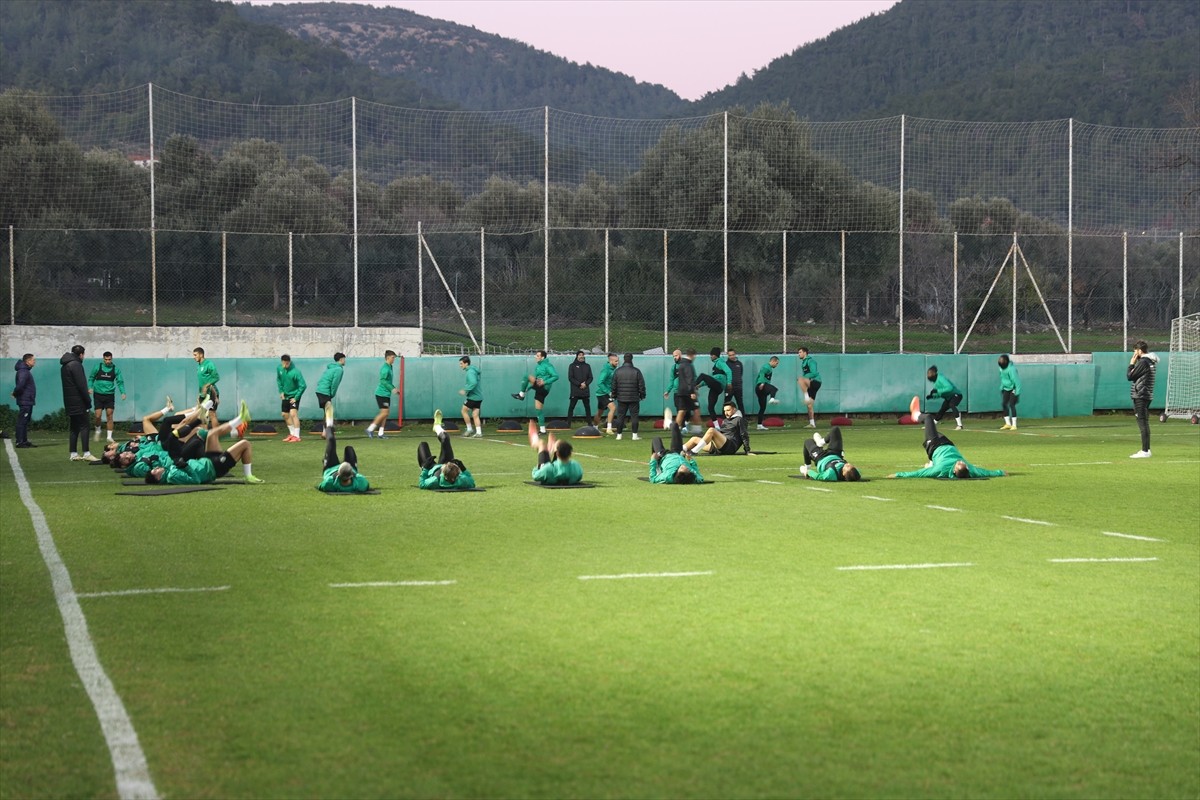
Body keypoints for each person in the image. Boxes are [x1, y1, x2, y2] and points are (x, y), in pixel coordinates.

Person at [146, 399, 262, 485]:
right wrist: (185, 466)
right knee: (245, 444)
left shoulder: (170, 471)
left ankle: (241, 418)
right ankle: (249, 476)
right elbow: (195, 480)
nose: (156, 468)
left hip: (207, 461)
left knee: (212, 433)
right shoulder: (172, 476)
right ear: (158, 478)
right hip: (214, 468)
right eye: (154, 471)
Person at [890, 411, 1006, 479]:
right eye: (963, 464)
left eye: (959, 464)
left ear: (955, 471)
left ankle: (916, 415)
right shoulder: (971, 469)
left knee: (928, 418)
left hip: (934, 446)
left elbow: (919, 473)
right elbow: (986, 472)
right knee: (932, 429)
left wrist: (898, 475)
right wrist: (1000, 472)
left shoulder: (942, 469)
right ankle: (932, 463)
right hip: (948, 443)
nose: (961, 462)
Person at [316, 402, 370, 493]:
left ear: (338, 474)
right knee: (349, 449)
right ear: (351, 475)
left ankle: (329, 424)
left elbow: (321, 486)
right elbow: (365, 483)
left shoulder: (330, 482)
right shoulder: (359, 483)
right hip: (346, 471)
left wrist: (334, 476)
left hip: (330, 468)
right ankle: (329, 425)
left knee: (331, 441)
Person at [417, 412, 476, 489]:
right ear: (457, 475)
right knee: (445, 438)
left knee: (423, 444)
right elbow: (472, 483)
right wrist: (463, 468)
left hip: (430, 468)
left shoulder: (435, 480)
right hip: (443, 469)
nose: (448, 463)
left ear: (443, 473)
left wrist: (425, 469)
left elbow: (422, 484)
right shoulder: (461, 480)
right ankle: (437, 426)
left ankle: (437, 427)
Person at [60, 344, 97, 462]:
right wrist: (88, 401)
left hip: (69, 401)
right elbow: (82, 385)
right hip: (78, 401)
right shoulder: (76, 365)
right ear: (81, 354)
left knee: (74, 428)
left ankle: (73, 453)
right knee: (85, 426)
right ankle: (86, 453)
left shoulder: (64, 366)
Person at [511, 350, 559, 434]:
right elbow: (532, 382)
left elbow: (556, 376)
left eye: (537, 355)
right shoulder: (538, 366)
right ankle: (543, 430)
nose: (535, 357)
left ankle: (521, 395)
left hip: (544, 387)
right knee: (538, 410)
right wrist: (527, 389)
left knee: (526, 376)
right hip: (539, 388)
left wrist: (545, 382)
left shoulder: (548, 365)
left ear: (542, 357)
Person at [682, 400, 752, 456]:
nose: (726, 413)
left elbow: (744, 435)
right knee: (694, 439)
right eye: (725, 411)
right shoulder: (725, 420)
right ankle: (677, 451)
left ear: (734, 410)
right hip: (719, 446)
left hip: (730, 446)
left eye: (728, 410)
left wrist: (747, 451)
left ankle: (694, 451)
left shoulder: (740, 420)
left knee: (712, 430)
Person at [1127, 340, 1159, 459]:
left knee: (1142, 422)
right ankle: (1146, 449)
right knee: (1143, 421)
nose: (1134, 353)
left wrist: (1131, 364)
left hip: (1141, 395)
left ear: (1140, 351)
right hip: (1145, 394)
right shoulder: (1150, 362)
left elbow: (1130, 376)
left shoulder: (1143, 362)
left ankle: (1145, 450)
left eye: (1135, 350)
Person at [648, 416, 704, 484]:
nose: (684, 466)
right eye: (686, 468)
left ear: (677, 473)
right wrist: (691, 460)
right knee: (675, 425)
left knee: (656, 439)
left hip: (663, 456)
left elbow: (652, 479)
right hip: (677, 453)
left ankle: (658, 469)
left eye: (681, 468)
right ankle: (668, 424)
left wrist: (653, 461)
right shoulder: (694, 476)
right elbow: (699, 476)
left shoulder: (667, 476)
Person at [528, 421, 584, 485]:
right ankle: (552, 447)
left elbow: (535, 476)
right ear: (571, 454)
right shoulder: (576, 466)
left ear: (557, 454)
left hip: (551, 471)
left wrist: (537, 467)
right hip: (558, 469)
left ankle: (536, 441)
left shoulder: (547, 468)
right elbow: (579, 477)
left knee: (541, 444)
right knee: (559, 443)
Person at [88, 351, 126, 442]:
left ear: (111, 359)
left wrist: (123, 392)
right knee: (98, 416)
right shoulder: (98, 367)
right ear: (103, 359)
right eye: (106, 359)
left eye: (109, 359)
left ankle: (109, 436)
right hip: (98, 394)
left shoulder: (115, 369)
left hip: (109, 395)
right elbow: (91, 378)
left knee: (109, 415)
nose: (108, 361)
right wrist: (90, 387)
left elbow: (120, 382)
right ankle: (98, 431)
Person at [611, 352, 647, 441]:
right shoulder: (636, 371)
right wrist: (642, 395)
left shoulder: (618, 371)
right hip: (634, 397)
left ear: (624, 359)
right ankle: (634, 435)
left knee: (620, 416)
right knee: (634, 416)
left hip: (621, 398)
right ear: (631, 359)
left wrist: (614, 395)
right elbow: (641, 385)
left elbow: (614, 385)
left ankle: (619, 435)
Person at [366, 350, 398, 439]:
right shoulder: (385, 368)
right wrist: (392, 389)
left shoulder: (390, 367)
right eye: (393, 357)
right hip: (381, 394)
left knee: (385, 414)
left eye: (394, 358)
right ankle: (370, 429)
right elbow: (383, 381)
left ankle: (380, 433)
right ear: (388, 358)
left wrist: (393, 388)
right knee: (385, 413)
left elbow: (388, 381)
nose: (394, 359)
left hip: (386, 394)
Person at [695, 347, 733, 420]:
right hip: (714, 387)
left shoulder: (720, 362)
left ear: (715, 355)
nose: (711, 357)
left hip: (718, 384)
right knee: (710, 407)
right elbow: (711, 379)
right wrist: (700, 385)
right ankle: (717, 426)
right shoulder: (715, 366)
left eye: (711, 355)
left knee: (702, 375)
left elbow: (729, 371)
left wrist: (729, 383)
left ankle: (691, 387)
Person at [277, 354, 307, 442]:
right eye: (284, 363)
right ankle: (292, 434)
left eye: (287, 363)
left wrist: (296, 397)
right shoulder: (279, 369)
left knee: (293, 414)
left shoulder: (296, 372)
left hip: (294, 396)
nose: (285, 365)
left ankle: (297, 436)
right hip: (285, 396)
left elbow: (303, 385)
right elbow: (279, 380)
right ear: (281, 362)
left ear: (289, 362)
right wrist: (281, 391)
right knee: (284, 415)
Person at [925, 365, 964, 429]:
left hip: (956, 395)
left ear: (934, 373)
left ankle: (960, 425)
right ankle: (932, 425)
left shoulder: (941, 378)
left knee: (952, 404)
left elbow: (949, 388)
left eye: (930, 373)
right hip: (948, 397)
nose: (929, 375)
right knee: (942, 410)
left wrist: (937, 390)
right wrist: (933, 396)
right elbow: (941, 393)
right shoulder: (935, 383)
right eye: (928, 373)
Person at [12, 353, 37, 448]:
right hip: (25, 400)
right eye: (33, 360)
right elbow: (20, 385)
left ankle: (24, 441)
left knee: (25, 421)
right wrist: (15, 393)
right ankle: (20, 442)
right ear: (28, 361)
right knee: (22, 421)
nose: (34, 361)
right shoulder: (23, 371)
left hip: (27, 400)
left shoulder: (25, 371)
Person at [314, 353, 346, 424]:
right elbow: (335, 383)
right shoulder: (339, 369)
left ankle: (325, 431)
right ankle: (329, 429)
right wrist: (332, 393)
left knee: (327, 411)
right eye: (344, 359)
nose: (345, 361)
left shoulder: (331, 367)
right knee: (329, 409)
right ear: (341, 359)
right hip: (324, 391)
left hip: (319, 390)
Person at [673, 349, 700, 432]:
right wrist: (692, 392)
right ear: (693, 355)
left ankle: (676, 431)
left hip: (681, 391)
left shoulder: (681, 364)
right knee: (696, 409)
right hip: (688, 392)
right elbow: (689, 379)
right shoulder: (688, 365)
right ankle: (697, 431)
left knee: (681, 411)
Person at [193, 347, 220, 427]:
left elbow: (216, 377)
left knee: (212, 414)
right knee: (201, 416)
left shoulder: (209, 364)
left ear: (201, 355)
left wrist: (206, 386)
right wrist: (199, 394)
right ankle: (202, 436)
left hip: (211, 394)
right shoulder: (199, 366)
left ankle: (215, 435)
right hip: (203, 395)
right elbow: (201, 382)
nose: (194, 357)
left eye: (195, 355)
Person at [592, 352, 619, 433]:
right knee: (613, 408)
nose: (617, 363)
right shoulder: (606, 370)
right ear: (611, 361)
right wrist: (608, 392)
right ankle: (609, 428)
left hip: (607, 393)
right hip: (602, 394)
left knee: (600, 412)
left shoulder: (614, 369)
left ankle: (595, 428)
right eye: (616, 361)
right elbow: (600, 382)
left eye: (618, 361)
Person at [565, 350, 593, 427]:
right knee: (571, 407)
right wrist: (579, 384)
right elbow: (570, 378)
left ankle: (590, 423)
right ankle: (568, 424)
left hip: (585, 390)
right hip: (575, 391)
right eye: (580, 355)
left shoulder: (587, 366)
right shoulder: (572, 366)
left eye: (582, 355)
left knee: (587, 407)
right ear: (577, 356)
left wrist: (585, 384)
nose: (581, 356)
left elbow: (590, 377)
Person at [754, 355, 781, 430]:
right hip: (761, 386)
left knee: (762, 408)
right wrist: (762, 383)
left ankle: (759, 425)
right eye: (776, 363)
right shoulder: (766, 367)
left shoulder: (769, 368)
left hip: (760, 388)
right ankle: (772, 399)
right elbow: (762, 373)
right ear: (773, 361)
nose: (777, 365)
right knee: (774, 389)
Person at [458, 355, 483, 437]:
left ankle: (469, 429)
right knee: (475, 415)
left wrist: (465, 390)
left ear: (466, 363)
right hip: (479, 397)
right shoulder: (473, 370)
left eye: (461, 363)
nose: (460, 365)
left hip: (473, 397)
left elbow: (473, 382)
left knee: (463, 410)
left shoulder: (470, 372)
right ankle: (479, 432)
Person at [796, 346, 821, 429]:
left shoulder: (811, 361)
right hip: (810, 383)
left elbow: (814, 373)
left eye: (800, 352)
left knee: (800, 379)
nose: (798, 354)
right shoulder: (803, 362)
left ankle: (806, 397)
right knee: (809, 406)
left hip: (816, 382)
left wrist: (804, 378)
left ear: (805, 353)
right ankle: (812, 423)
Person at [998, 354, 1022, 430]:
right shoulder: (1001, 368)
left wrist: (1017, 392)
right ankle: (1007, 423)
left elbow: (1017, 381)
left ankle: (1014, 425)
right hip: (1006, 388)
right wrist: (1001, 387)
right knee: (1004, 404)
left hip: (1013, 388)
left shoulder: (1012, 369)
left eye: (1002, 360)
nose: (1000, 361)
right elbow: (1002, 378)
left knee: (1012, 405)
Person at [725, 348, 745, 415]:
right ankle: (725, 420)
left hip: (738, 387)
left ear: (735, 354)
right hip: (729, 387)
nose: (732, 356)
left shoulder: (739, 364)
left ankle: (742, 419)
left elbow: (740, 374)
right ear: (728, 355)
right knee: (727, 403)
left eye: (733, 355)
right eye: (730, 355)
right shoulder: (726, 364)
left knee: (740, 403)